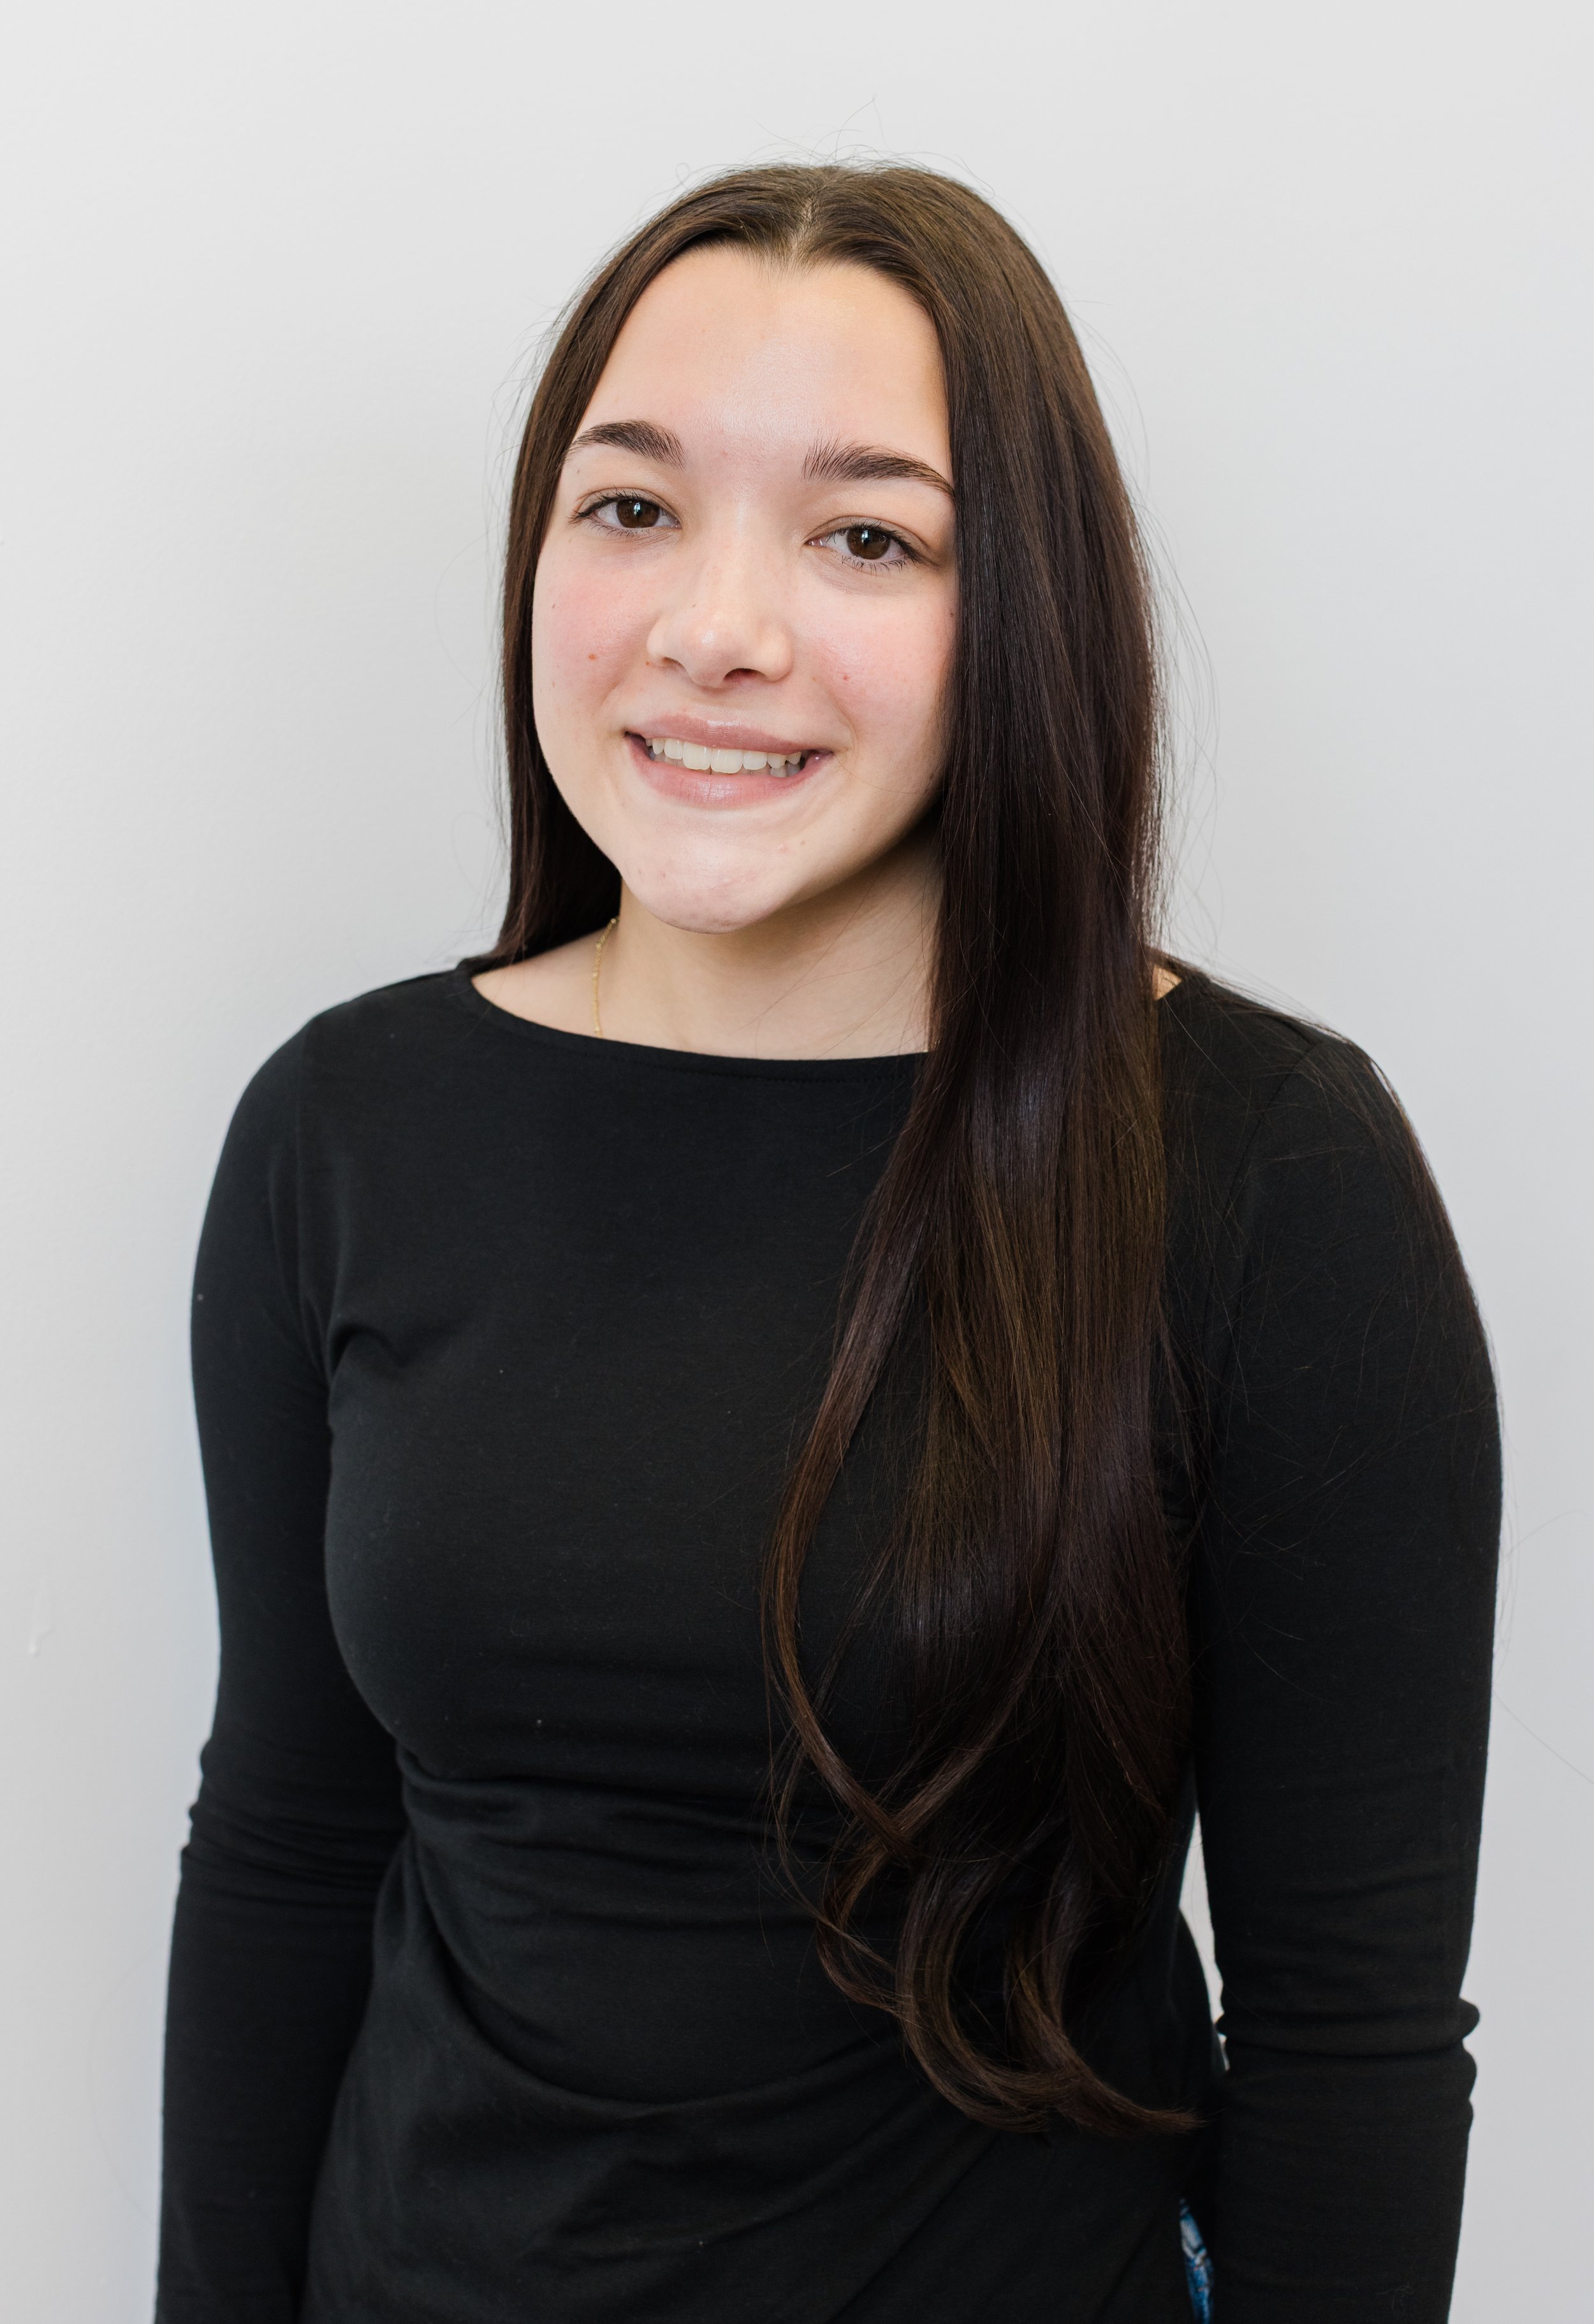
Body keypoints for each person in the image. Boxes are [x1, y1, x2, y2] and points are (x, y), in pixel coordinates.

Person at [155, 164, 1500, 2324]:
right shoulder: (345, 1126)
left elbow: (1347, 2033)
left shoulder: (1264, 1173)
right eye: (632, 507)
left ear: (1023, 610)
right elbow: (290, 1850)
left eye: (866, 534)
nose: (716, 628)